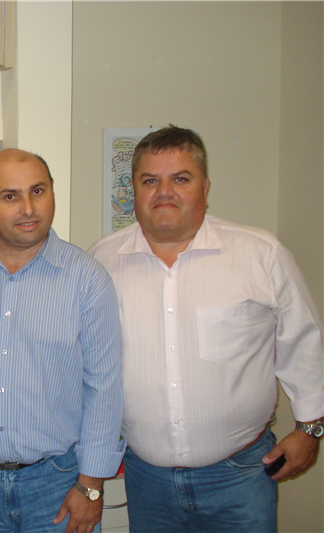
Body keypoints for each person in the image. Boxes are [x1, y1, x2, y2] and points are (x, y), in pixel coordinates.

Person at [88, 126, 324, 532]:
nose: (165, 192)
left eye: (180, 178)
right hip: (147, 479)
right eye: (150, 181)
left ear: (205, 186)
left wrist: (310, 429)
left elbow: (303, 343)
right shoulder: (102, 261)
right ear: (134, 189)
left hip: (242, 474)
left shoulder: (259, 254)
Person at [0, 149, 124, 533]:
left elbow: (104, 388)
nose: (28, 207)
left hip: (57, 485)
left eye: (38, 191)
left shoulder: (87, 280)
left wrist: (90, 486)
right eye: (10, 196)